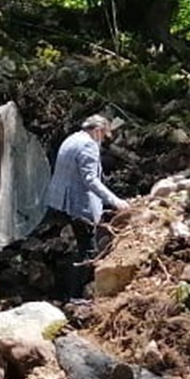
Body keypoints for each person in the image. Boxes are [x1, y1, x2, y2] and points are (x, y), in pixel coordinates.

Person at [43, 114, 128, 301]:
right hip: (78, 203)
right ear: (97, 131)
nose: (103, 141)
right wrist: (115, 201)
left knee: (77, 247)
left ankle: (64, 291)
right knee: (88, 251)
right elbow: (90, 180)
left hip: (61, 200)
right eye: (104, 137)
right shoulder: (89, 145)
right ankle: (76, 296)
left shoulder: (72, 138)